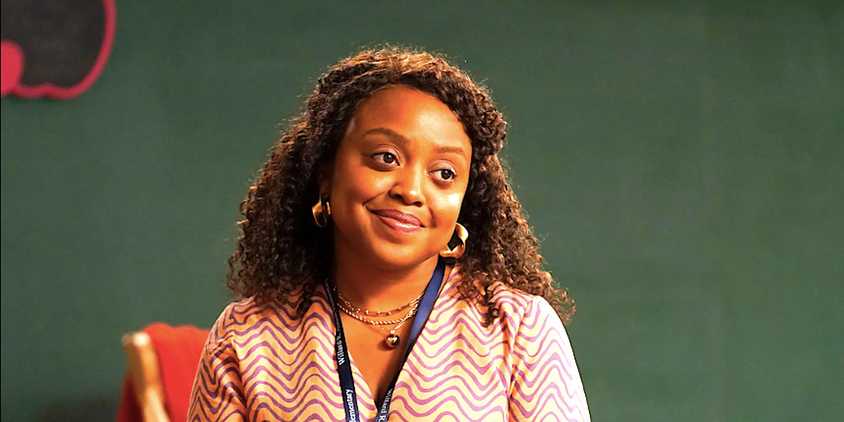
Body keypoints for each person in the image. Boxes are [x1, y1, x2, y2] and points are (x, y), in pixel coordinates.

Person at [188, 46, 591, 421]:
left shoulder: (518, 328)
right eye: (385, 158)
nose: (411, 191)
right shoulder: (247, 335)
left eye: (445, 174)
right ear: (326, 173)